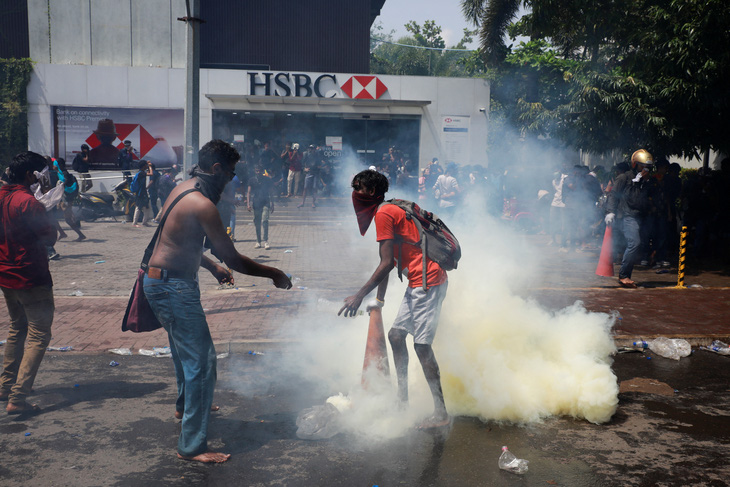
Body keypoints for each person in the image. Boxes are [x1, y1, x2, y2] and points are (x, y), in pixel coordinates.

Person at [143, 140, 291, 463]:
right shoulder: (203, 205)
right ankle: (192, 446)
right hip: (172, 287)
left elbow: (174, 240)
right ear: (216, 170)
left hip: (161, 282)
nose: (231, 180)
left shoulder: (181, 188)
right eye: (230, 174)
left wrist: (211, 267)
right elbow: (234, 257)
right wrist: (274, 273)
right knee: (202, 361)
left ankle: (186, 408)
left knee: (187, 355)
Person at [340, 169, 450, 430]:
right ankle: (402, 401)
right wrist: (379, 300)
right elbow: (389, 261)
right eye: (354, 187)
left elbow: (386, 263)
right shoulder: (389, 209)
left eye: (360, 188)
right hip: (418, 281)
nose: (355, 193)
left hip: (428, 281)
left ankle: (441, 413)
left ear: (373, 193)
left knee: (422, 347)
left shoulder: (384, 214)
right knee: (396, 336)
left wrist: (359, 296)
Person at [0, 151, 58, 414]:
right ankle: (18, 398)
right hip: (30, 275)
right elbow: (49, 237)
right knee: (38, 333)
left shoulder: (3, 196)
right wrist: (49, 206)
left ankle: (5, 386)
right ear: (29, 175)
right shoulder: (28, 203)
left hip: (5, 274)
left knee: (17, 326)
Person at [605, 149, 656, 288]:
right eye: (642, 166)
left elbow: (650, 196)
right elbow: (614, 195)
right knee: (634, 243)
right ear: (634, 165)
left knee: (638, 245)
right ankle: (624, 276)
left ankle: (627, 274)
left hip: (641, 216)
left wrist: (645, 182)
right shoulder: (625, 178)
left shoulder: (647, 181)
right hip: (627, 215)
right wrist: (610, 211)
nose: (645, 169)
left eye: (647, 167)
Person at [54, 158, 86, 241]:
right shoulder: (60, 172)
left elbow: (64, 181)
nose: (53, 165)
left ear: (59, 165)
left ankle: (80, 234)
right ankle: (63, 233)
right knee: (54, 217)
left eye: (55, 164)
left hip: (67, 199)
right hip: (65, 199)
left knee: (67, 219)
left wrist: (61, 185)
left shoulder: (63, 173)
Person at [247, 164, 274, 249]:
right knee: (257, 223)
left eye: (259, 170)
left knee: (265, 221)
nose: (258, 172)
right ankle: (258, 241)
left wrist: (272, 203)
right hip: (256, 203)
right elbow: (249, 192)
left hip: (266, 202)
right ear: (255, 171)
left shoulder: (267, 180)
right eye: (256, 170)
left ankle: (266, 241)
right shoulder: (252, 180)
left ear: (262, 171)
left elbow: (271, 192)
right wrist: (248, 204)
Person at [131, 160, 151, 227]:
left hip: (141, 193)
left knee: (146, 207)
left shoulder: (140, 173)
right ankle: (135, 223)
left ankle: (144, 222)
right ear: (143, 166)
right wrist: (150, 166)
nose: (147, 166)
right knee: (139, 208)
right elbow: (151, 173)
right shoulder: (141, 173)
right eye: (146, 165)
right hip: (141, 193)